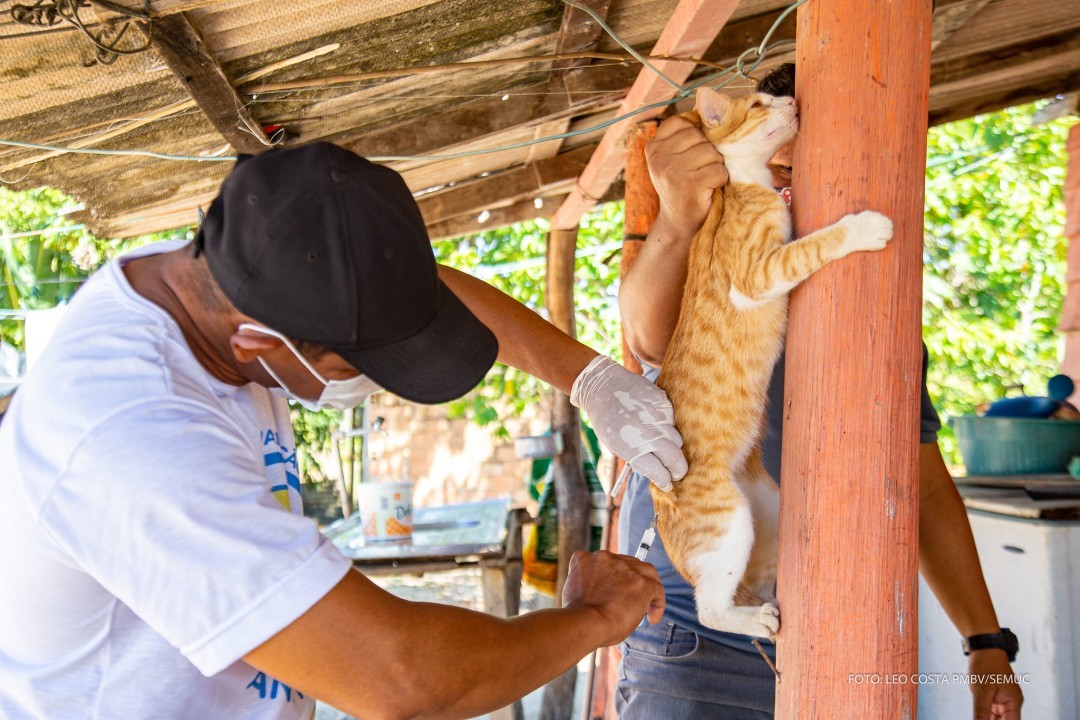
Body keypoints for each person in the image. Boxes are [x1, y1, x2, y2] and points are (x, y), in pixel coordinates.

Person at [0, 143, 689, 719]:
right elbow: (399, 678)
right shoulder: (130, 441)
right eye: (358, 360)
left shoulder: (216, 273)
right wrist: (596, 618)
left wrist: (592, 380)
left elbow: (417, 289)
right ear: (257, 341)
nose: (378, 379)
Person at [616, 64, 1023, 720]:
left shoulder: (878, 310)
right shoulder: (718, 232)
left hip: (844, 633)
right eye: (781, 171)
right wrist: (676, 215)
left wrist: (985, 643)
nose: (795, 195)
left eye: (824, 177)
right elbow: (652, 341)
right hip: (696, 638)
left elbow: (920, 484)